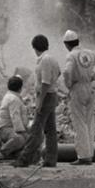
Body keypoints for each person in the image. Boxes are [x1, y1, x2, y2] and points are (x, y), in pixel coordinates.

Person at [15, 35, 61, 169]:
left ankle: (24, 159)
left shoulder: (45, 60)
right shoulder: (51, 58)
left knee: (36, 129)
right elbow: (58, 73)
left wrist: (40, 101)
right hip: (52, 95)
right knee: (50, 130)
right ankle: (50, 159)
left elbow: (45, 83)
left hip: (46, 96)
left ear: (35, 47)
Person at [62, 30, 95, 165]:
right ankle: (90, 154)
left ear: (66, 44)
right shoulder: (89, 53)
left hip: (78, 89)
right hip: (90, 87)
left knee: (79, 123)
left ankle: (83, 156)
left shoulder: (71, 55)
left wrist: (68, 84)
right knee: (89, 122)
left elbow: (66, 71)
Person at [0, 76, 27, 163]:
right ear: (20, 88)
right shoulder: (13, 99)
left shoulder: (10, 96)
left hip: (7, 129)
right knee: (19, 139)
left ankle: (14, 156)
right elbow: (15, 117)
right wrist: (21, 131)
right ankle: (0, 154)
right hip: (5, 129)